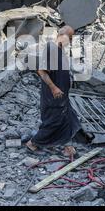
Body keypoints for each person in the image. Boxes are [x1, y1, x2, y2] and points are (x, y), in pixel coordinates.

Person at [26, 26, 82, 158]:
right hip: (54, 96)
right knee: (53, 122)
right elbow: (41, 71)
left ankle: (68, 147)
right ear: (66, 37)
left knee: (69, 121)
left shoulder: (60, 50)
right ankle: (33, 143)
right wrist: (54, 88)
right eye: (70, 39)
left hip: (62, 97)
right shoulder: (52, 49)